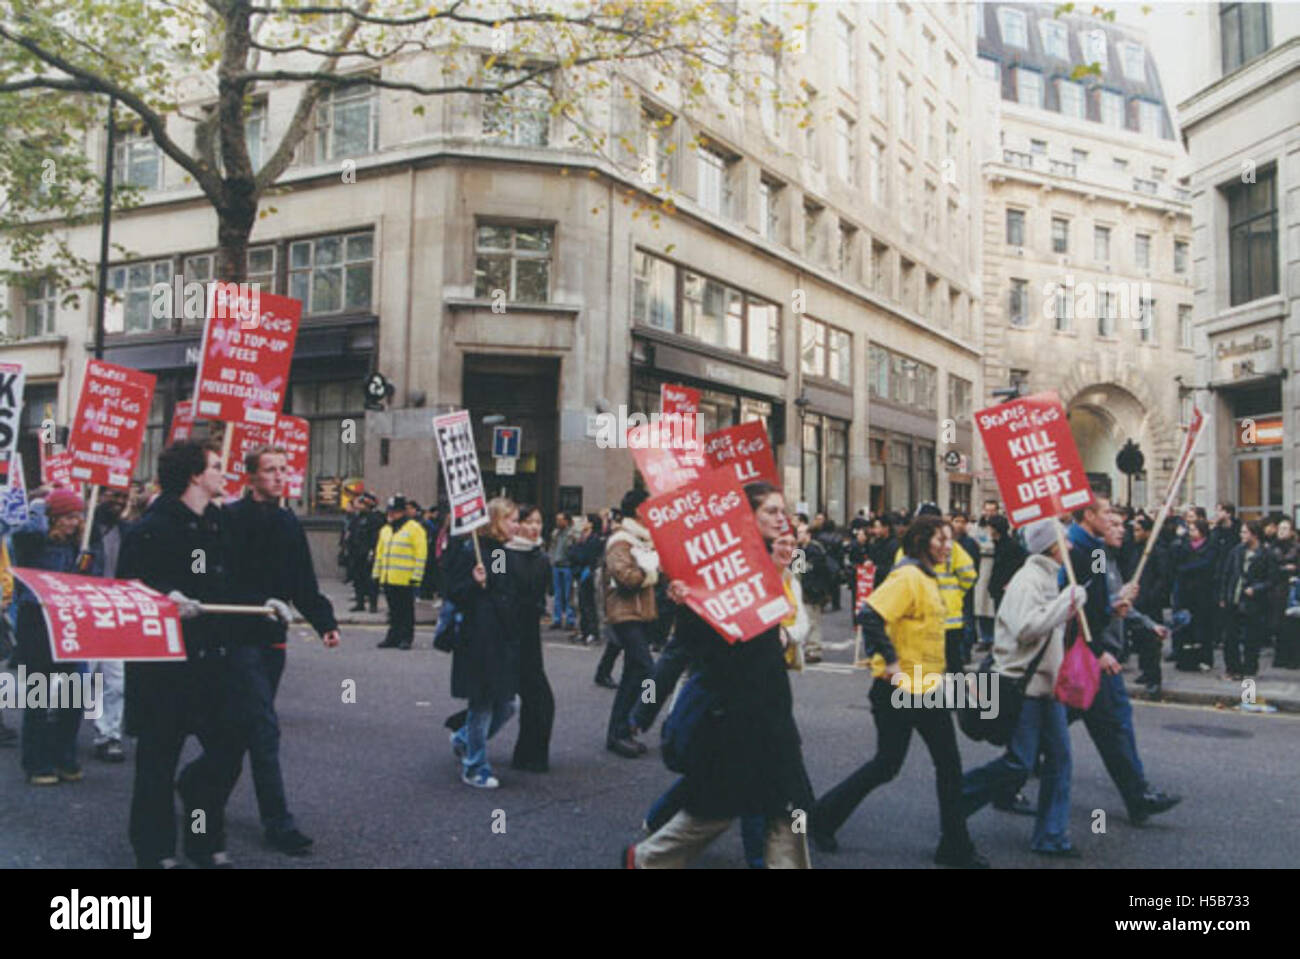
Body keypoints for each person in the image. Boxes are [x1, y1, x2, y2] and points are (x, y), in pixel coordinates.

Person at [625, 482, 812, 869]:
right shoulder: (719, 566)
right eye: (772, 511)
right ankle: (646, 859)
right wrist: (683, 600)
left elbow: (791, 620)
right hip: (737, 707)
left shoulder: (776, 558)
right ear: (748, 517)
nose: (783, 518)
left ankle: (647, 858)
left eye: (784, 510)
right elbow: (692, 645)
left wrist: (781, 575)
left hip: (770, 701)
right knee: (732, 804)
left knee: (774, 803)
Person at [119, 440, 270, 868]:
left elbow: (216, 581)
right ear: (194, 476)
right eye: (217, 466)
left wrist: (266, 603)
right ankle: (154, 850)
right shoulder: (152, 527)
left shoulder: (213, 525)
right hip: (164, 667)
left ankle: (202, 835)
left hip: (211, 661)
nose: (225, 473)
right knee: (156, 763)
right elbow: (130, 589)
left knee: (228, 747)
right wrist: (167, 597)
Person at [813, 514, 989, 868]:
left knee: (948, 765)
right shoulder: (908, 576)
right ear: (922, 540)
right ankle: (822, 818)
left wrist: (959, 677)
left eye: (949, 540)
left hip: (929, 688)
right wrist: (890, 661)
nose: (946, 546)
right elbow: (870, 615)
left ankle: (955, 847)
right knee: (887, 765)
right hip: (898, 690)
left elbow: (936, 638)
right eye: (940, 539)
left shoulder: (931, 578)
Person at [224, 445, 341, 855]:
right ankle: (278, 823)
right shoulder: (230, 519)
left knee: (242, 729)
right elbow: (215, 574)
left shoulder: (290, 522)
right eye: (270, 470)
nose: (279, 475)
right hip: (238, 637)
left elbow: (302, 582)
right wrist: (255, 599)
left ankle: (198, 784)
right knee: (263, 727)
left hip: (273, 638)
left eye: (283, 468)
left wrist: (324, 622)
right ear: (251, 477)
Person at [960, 518, 1086, 857]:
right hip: (1024, 688)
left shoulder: (1049, 577)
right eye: (1065, 541)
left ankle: (1051, 836)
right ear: (1052, 546)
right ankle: (956, 799)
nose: (1071, 547)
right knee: (1019, 763)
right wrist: (1067, 604)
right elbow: (1027, 628)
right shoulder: (1027, 580)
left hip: (1048, 688)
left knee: (1060, 761)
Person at [1063, 498, 1181, 825]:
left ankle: (1137, 795)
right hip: (1090, 658)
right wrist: (1097, 649)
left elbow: (1100, 603)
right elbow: (1075, 609)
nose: (1119, 525)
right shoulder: (1073, 550)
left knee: (1094, 725)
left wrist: (1118, 604)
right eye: (1108, 518)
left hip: (1098, 655)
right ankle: (1137, 795)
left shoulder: (1099, 553)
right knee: (1112, 725)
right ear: (1089, 516)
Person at [11, 488, 103, 785]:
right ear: (53, 517)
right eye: (68, 516)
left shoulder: (84, 545)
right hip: (37, 623)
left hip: (70, 624)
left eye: (78, 516)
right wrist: (40, 508)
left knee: (73, 694)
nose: (74, 522)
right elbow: (24, 533)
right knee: (38, 697)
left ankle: (65, 756)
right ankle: (36, 762)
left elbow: (94, 578)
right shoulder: (32, 543)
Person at [447, 498, 521, 788]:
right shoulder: (471, 551)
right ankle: (475, 767)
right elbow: (454, 593)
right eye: (510, 519)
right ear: (495, 521)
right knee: (482, 704)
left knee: (506, 704)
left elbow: (503, 591)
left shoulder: (500, 553)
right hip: (478, 641)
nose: (516, 524)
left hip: (499, 640)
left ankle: (464, 739)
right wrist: (474, 583)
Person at [603, 489, 660, 758]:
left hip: (640, 613)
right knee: (646, 669)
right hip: (625, 614)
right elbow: (625, 576)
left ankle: (620, 731)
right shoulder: (621, 540)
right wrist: (649, 571)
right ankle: (630, 723)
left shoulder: (643, 539)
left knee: (633, 674)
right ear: (639, 509)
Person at [87, 486, 133, 763]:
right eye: (113, 495)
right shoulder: (83, 530)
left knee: (116, 680)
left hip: (116, 612)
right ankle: (61, 727)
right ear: (98, 494)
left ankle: (108, 734)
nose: (118, 502)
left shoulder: (129, 532)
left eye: (123, 497)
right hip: (85, 610)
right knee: (83, 675)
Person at [508, 505, 554, 772]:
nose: (535, 527)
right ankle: (464, 734)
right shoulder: (503, 553)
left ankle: (530, 756)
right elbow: (497, 587)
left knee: (539, 699)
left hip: (529, 635)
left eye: (539, 522)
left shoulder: (541, 556)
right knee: (496, 700)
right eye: (529, 522)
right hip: (506, 633)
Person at [1220, 520, 1277, 680]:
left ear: (1254, 534)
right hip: (1234, 598)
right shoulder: (1236, 551)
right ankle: (1232, 669)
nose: (1241, 535)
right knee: (1230, 637)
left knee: (1252, 638)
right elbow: (1227, 574)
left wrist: (1256, 589)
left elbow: (1272, 580)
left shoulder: (1266, 554)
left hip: (1254, 602)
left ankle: (1249, 670)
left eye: (1244, 532)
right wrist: (1224, 596)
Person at [1125, 516, 1172, 695]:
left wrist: (1152, 596)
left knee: (1151, 641)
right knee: (1139, 639)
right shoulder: (1133, 550)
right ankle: (1145, 671)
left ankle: (1154, 678)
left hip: (1150, 603)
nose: (1134, 534)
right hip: (1136, 601)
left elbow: (1163, 577)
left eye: (1138, 530)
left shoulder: (1157, 551)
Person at [373, 495, 427, 649]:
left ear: (403, 512)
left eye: (395, 511)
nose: (392, 514)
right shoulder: (385, 530)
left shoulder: (414, 529)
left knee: (406, 611)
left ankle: (406, 638)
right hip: (388, 577)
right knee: (393, 611)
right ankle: (393, 636)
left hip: (406, 578)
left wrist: (417, 576)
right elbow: (380, 554)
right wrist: (376, 575)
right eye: (390, 511)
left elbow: (420, 554)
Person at [1170, 517, 1219, 671]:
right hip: (1186, 592)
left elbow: (1206, 565)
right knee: (1187, 627)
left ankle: (1204, 659)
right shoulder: (1184, 545)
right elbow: (1174, 559)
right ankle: (1187, 660)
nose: (1190, 532)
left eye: (1193, 529)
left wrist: (1185, 569)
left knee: (1203, 627)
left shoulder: (1210, 546)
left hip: (1203, 592)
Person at [795, 520, 832, 664]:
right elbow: (797, 571)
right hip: (804, 589)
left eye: (801, 533)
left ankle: (814, 649)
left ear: (808, 534)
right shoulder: (800, 550)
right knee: (806, 619)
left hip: (813, 590)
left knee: (813, 620)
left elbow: (818, 571)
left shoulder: (814, 550)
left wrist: (818, 590)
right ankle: (808, 648)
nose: (798, 535)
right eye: (797, 533)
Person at [341, 492, 383, 613]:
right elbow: (351, 533)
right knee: (358, 579)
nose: (359, 505)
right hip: (356, 553)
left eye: (362, 503)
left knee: (371, 580)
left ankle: (373, 604)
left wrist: (372, 551)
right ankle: (360, 603)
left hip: (367, 553)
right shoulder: (357, 517)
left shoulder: (375, 518)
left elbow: (376, 537)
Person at [568, 513, 604, 645]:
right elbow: (572, 553)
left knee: (589, 605)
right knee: (581, 605)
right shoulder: (581, 538)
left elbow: (585, 556)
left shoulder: (594, 539)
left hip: (588, 573)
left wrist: (577, 555)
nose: (582, 522)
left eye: (585, 520)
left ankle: (592, 632)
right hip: (579, 572)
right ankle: (584, 631)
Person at [987, 515, 1026, 612]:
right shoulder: (999, 544)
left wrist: (1008, 583)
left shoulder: (1010, 546)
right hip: (999, 589)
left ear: (994, 529)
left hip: (1005, 589)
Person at [547, 512, 577, 630]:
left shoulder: (572, 534)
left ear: (566, 521)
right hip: (556, 565)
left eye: (560, 520)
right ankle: (557, 618)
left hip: (567, 566)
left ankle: (570, 619)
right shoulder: (555, 534)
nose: (558, 522)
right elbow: (552, 548)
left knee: (568, 594)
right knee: (558, 594)